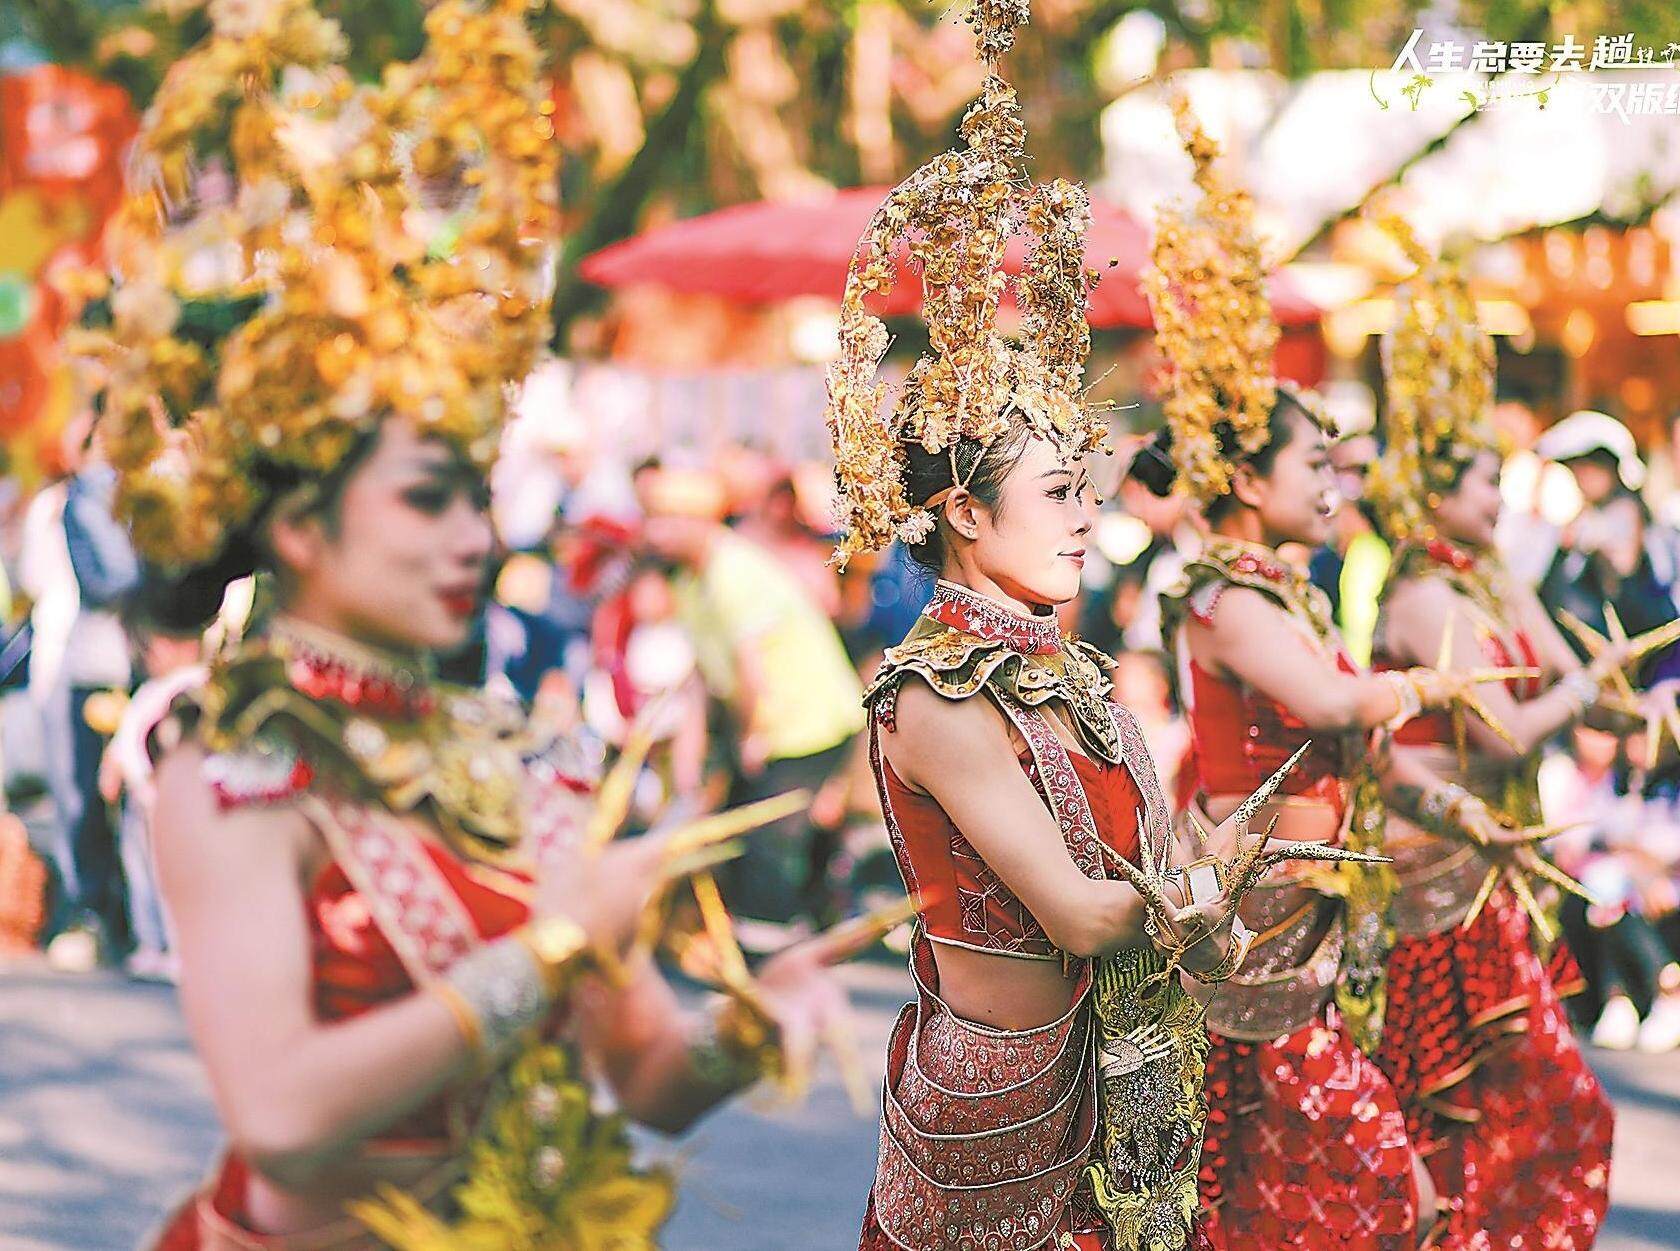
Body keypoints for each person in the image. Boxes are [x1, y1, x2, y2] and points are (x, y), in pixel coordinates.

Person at [78, 4, 852, 1246]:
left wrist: (748, 1027)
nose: (471, 539)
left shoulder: (519, 756)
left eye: (476, 500)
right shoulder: (234, 775)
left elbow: (644, 1081)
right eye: (427, 502)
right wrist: (550, 949)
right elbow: (280, 1113)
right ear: (300, 530)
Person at [828, 18, 1262, 1248]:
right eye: (1059, 495)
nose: (1089, 518)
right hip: (1003, 1100)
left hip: (1115, 1073)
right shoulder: (934, 694)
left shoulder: (1060, 667)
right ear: (964, 511)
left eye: (1089, 488)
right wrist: (1209, 887)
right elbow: (1076, 915)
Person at [1132, 113, 1480, 1251]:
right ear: (1245, 478)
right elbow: (1336, 709)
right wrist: (1429, 685)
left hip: (1311, 916)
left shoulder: (1286, 590)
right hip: (1256, 926)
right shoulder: (1225, 598)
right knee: (1376, 1185)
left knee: (1298, 1184)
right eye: (1314, 469)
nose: (1337, 491)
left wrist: (1449, 804)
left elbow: (1350, 743)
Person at [1364, 220, 1616, 1247]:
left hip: (1491, 863)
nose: (1498, 498)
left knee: (1531, 1102)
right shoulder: (1424, 596)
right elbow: (1515, 728)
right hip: (1438, 864)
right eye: (1481, 486)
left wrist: (1521, 587)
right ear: (1434, 495)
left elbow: (1563, 669)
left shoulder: (1480, 576)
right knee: (1468, 1102)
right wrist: (1585, 690)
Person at [637, 464, 865, 948]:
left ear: (699, 522)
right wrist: (688, 752)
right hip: (769, 728)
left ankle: (774, 955)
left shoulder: (732, 573)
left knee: (765, 844)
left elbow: (751, 671)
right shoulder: (688, 580)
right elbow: (702, 673)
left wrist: (752, 736)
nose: (653, 534)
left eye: (665, 521)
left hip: (805, 723)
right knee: (742, 837)